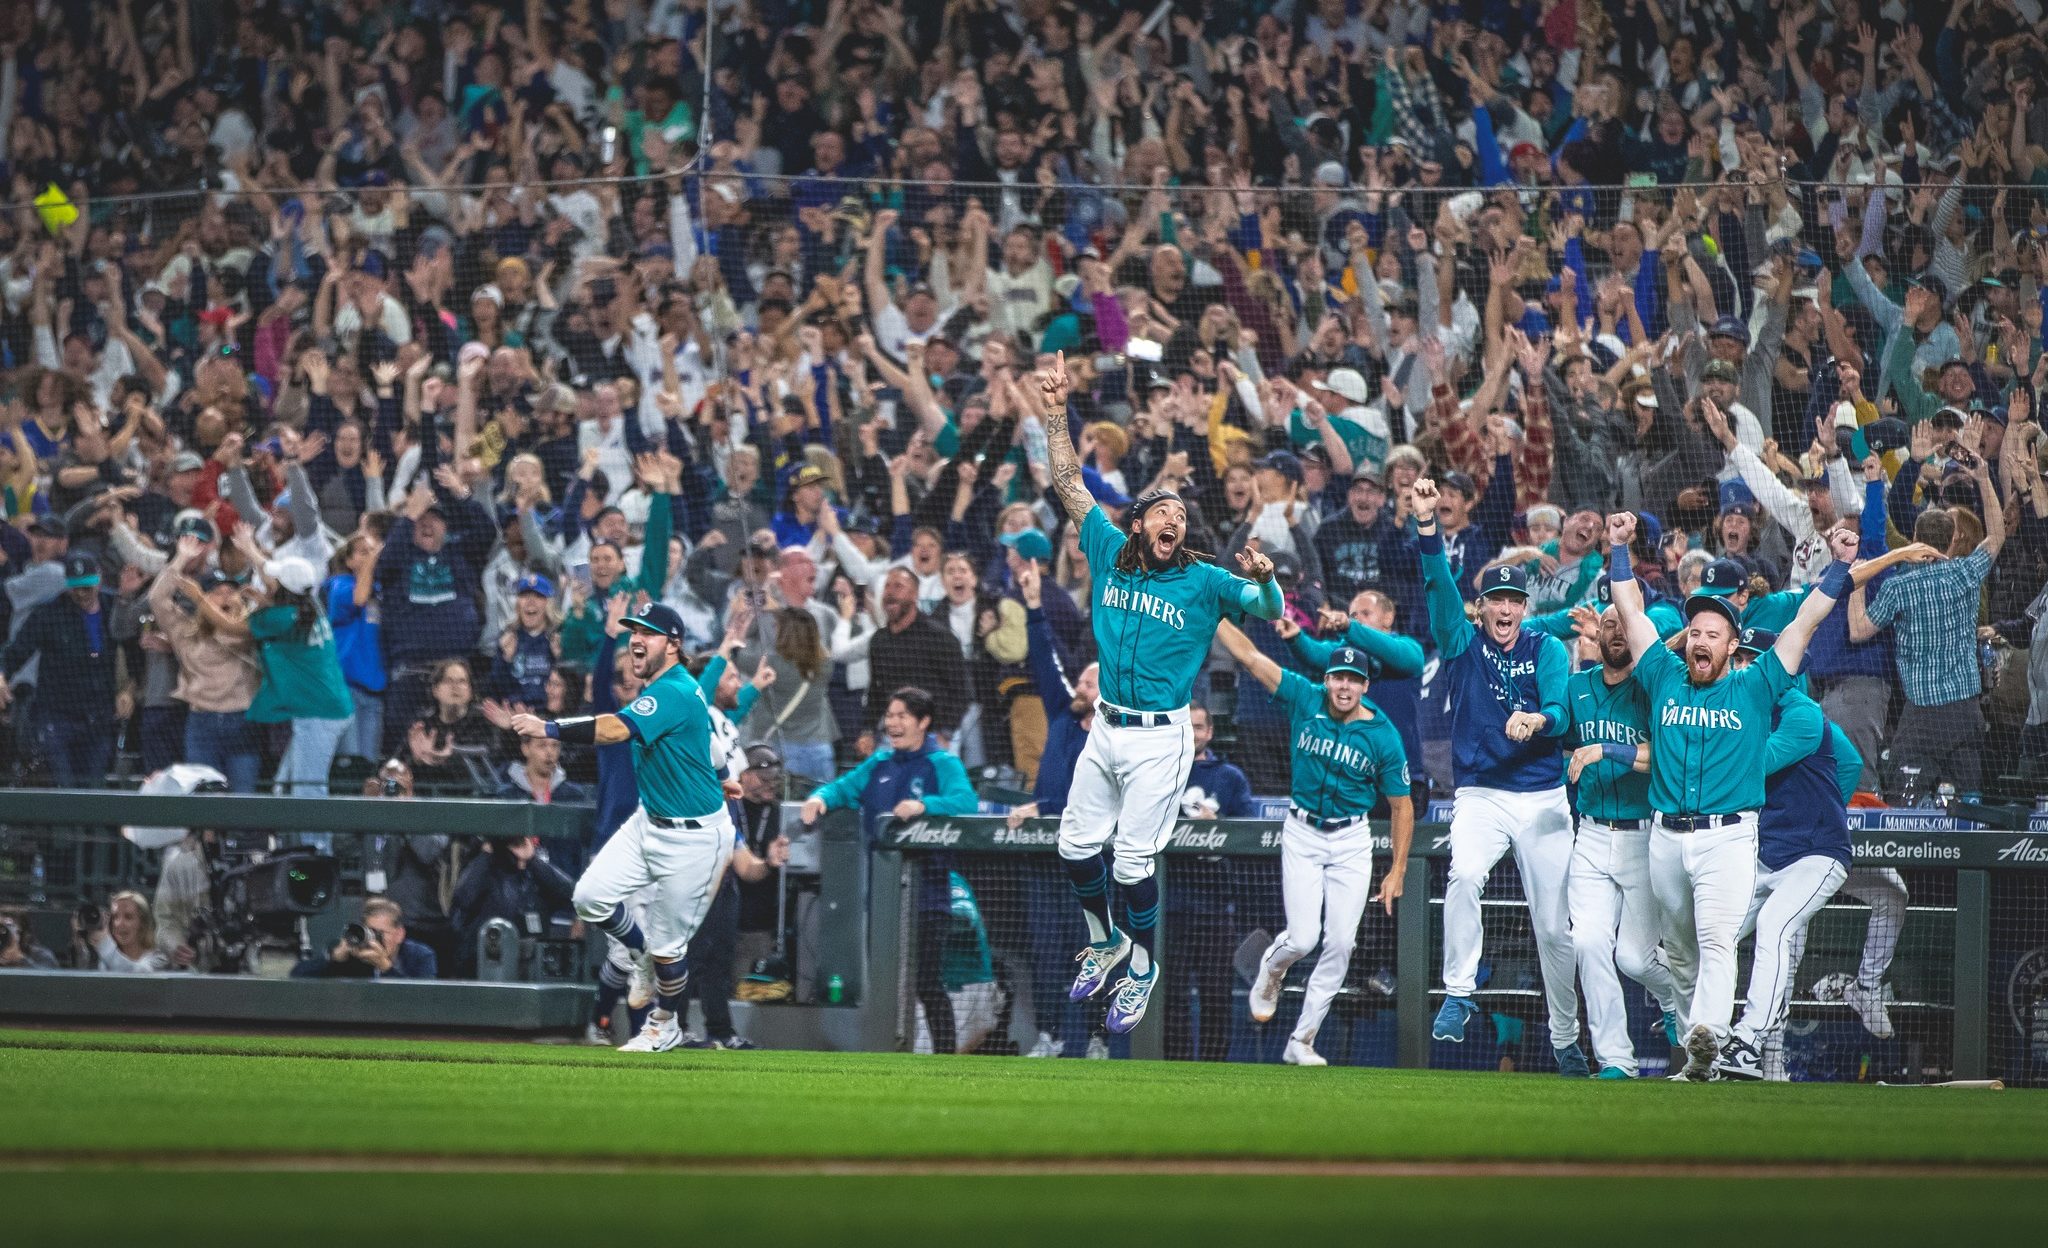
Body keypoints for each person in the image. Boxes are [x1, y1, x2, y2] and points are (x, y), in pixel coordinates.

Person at [1034, 351, 1282, 1036]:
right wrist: (1056, 411)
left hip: (1161, 735)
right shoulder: (1108, 549)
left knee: (1134, 859)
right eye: (1162, 509)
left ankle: (1141, 967)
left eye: (1181, 513)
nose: (1175, 518)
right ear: (1141, 522)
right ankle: (1106, 939)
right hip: (1106, 726)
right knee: (1075, 849)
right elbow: (1065, 479)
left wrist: (1262, 578)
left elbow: (1264, 604)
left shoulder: (1202, 577)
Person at [1605, 508, 1890, 1082]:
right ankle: (1697, 1043)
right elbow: (1632, 615)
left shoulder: (1757, 686)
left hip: (1729, 838)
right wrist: (1617, 548)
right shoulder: (1662, 674)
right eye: (1697, 634)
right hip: (1664, 836)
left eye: (1714, 633)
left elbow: (1805, 623)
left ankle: (1706, 1041)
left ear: (1733, 644)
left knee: (1716, 941)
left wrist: (1839, 566)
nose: (1702, 640)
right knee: (1680, 952)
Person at [1411, 476, 1584, 1076]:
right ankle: (1458, 994)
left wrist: (1537, 719)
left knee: (1554, 929)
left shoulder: (1547, 649)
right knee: (1463, 875)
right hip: (1482, 792)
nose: (1506, 608)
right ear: (1481, 608)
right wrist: (1428, 526)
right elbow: (1437, 585)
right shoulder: (1461, 644)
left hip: (1542, 795)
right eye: (1496, 600)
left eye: (1514, 600)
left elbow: (1562, 713)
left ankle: (1565, 1039)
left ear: (1525, 607)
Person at [508, 604, 739, 1054]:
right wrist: (724, 772)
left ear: (673, 645)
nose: (637, 638)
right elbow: (708, 742)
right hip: (647, 822)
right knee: (589, 898)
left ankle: (665, 1024)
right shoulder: (671, 693)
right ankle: (640, 956)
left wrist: (548, 727)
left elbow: (615, 729)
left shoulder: (672, 690)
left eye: (649, 633)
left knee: (670, 950)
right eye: (634, 631)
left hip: (695, 840)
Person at [1225, 623, 1414, 1067]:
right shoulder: (1304, 696)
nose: (1344, 685)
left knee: (1342, 943)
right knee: (1305, 938)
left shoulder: (1384, 735)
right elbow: (1251, 658)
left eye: (1353, 679)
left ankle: (1302, 1040)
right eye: (1337, 677)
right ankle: (1271, 969)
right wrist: (1211, 605)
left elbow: (1402, 808)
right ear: (1326, 679)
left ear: (1366, 686)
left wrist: (1398, 869)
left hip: (1351, 838)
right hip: (1303, 831)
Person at [1713, 627, 1862, 1082]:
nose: (1747, 668)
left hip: (1817, 854)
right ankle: (1704, 1031)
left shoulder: (1801, 713)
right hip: (1766, 854)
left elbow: (1751, 765)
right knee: (1713, 935)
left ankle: (1749, 1041)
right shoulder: (1730, 709)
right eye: (1743, 660)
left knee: (1776, 925)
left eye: (1758, 660)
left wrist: (1824, 808)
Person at [800, 686, 979, 1053]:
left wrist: (923, 805)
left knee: (927, 981)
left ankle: (945, 1058)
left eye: (901, 716)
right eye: (890, 715)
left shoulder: (942, 763)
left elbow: (966, 801)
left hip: (930, 894)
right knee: (886, 982)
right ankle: (891, 1050)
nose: (892, 723)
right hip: (881, 896)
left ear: (923, 721)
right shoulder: (879, 763)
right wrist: (818, 799)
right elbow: (842, 789)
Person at [1561, 604, 1681, 1079]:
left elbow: (1666, 757)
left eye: (1623, 624)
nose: (1615, 632)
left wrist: (1606, 750)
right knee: (1587, 943)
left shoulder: (1655, 690)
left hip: (1642, 835)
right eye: (1607, 624)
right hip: (1589, 833)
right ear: (1597, 635)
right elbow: (1559, 732)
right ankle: (1616, 1059)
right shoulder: (1578, 688)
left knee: (1633, 957)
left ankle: (1673, 999)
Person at [1848, 459, 2008, 802]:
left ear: (1916, 540)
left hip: (1923, 716)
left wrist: (1857, 581)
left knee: (1903, 806)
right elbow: (1997, 534)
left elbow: (1858, 630)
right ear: (1952, 540)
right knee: (1968, 803)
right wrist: (1983, 478)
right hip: (1966, 712)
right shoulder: (1965, 574)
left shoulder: (1899, 588)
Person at [0, 551, 128, 786]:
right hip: (57, 715)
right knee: (63, 786)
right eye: (75, 588)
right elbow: (17, 649)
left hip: (99, 716)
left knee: (95, 787)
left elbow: (131, 652)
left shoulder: (113, 607)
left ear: (99, 578)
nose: (81, 594)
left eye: (87, 587)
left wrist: (127, 690)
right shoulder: (50, 613)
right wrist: (2, 673)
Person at [448, 836, 580, 976]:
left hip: (531, 962)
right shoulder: (484, 870)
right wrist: (487, 855)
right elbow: (463, 898)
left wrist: (532, 860)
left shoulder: (534, 874)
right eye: (514, 844)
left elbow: (572, 894)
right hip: (488, 961)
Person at [290, 896, 438, 980]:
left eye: (380, 933)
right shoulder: (355, 953)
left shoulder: (420, 955)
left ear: (399, 934)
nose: (374, 939)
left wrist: (385, 967)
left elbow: (423, 999)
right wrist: (333, 959)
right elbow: (297, 976)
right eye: (370, 932)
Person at [82, 891, 170, 973]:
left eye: (128, 917)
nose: (119, 924)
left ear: (143, 923)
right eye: (115, 917)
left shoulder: (159, 957)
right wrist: (79, 947)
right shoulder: (106, 956)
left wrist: (105, 945)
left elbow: (140, 975)